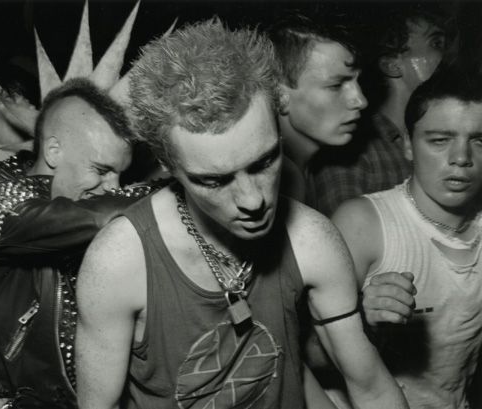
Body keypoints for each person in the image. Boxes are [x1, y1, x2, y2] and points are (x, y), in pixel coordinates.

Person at [76, 19, 408, 409]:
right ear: (168, 167)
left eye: (264, 161)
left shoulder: (311, 239)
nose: (253, 200)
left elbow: (371, 388)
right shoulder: (118, 262)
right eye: (214, 181)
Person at [0, 78, 158, 407]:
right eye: (101, 169)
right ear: (54, 151)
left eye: (120, 175)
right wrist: (177, 188)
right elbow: (92, 218)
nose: (112, 188)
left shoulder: (87, 208)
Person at [331, 69, 482, 408]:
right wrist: (360, 325)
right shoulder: (364, 223)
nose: (461, 158)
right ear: (410, 146)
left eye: (479, 140)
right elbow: (302, 353)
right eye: (440, 140)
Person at [313, 3, 450, 216]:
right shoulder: (354, 153)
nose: (448, 56)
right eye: (436, 43)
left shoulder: (448, 140)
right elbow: (347, 241)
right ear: (392, 65)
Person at [267, 12, 367, 204]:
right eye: (336, 86)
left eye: (357, 82)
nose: (361, 101)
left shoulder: (301, 172)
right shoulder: (278, 183)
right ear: (280, 96)